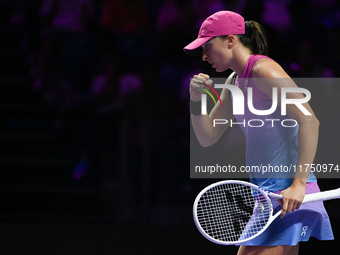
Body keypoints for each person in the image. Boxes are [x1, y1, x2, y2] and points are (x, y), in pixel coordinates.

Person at [184, 10, 334, 255]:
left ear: (230, 40)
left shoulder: (264, 71)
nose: (204, 56)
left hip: (289, 195)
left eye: (208, 47)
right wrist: (196, 99)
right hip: (268, 196)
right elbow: (207, 137)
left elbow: (309, 122)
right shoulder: (235, 81)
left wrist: (298, 184)